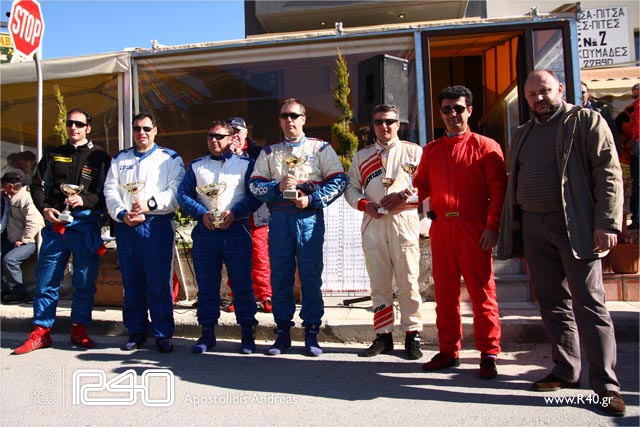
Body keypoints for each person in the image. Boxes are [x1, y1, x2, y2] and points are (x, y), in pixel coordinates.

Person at [497, 70, 625, 417]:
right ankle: (566, 370)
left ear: (560, 89)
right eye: (532, 94)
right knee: (552, 303)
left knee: (590, 304)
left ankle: (606, 386)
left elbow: (608, 173)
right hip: (534, 227)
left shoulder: (586, 122)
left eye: (544, 91)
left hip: (575, 224)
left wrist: (607, 222)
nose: (539, 98)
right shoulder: (522, 133)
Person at [413, 86, 506, 379]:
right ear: (440, 113)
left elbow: (498, 192)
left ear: (470, 110)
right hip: (442, 228)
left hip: (473, 227)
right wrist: (400, 196)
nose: (453, 114)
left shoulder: (486, 146)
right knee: (444, 294)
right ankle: (448, 350)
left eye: (458, 108)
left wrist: (492, 227)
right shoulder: (430, 151)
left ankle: (488, 353)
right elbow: (420, 187)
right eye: (447, 109)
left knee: (482, 293)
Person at [249, 98, 347, 357]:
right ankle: (282, 333)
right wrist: (276, 186)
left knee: (310, 277)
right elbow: (255, 186)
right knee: (280, 277)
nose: (289, 120)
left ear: (303, 119)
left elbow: (339, 180)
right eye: (284, 116)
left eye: (294, 115)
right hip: (280, 218)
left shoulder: (320, 148)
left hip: (309, 218)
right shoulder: (269, 153)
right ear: (280, 121)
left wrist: (311, 199)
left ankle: (311, 332)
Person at [13, 108, 111, 355]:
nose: (73, 128)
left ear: (88, 128)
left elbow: (108, 194)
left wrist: (85, 200)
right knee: (46, 282)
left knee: (84, 283)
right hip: (56, 227)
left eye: (79, 124)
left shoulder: (101, 158)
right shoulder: (53, 154)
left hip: (86, 227)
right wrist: (45, 208)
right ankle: (41, 332)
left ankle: (79, 329)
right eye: (70, 123)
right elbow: (37, 186)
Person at [344, 104, 424, 360]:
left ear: (398, 124)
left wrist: (403, 197)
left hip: (404, 221)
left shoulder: (414, 152)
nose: (384, 126)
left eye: (389, 121)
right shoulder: (362, 156)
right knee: (379, 283)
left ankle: (413, 334)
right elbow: (350, 189)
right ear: (373, 126)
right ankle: (383, 335)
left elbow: (427, 187)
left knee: (408, 280)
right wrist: (364, 204)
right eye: (379, 122)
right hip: (374, 222)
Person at [178, 120, 261, 354]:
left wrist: (236, 212)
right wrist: (201, 213)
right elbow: (183, 194)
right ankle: (207, 333)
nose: (214, 140)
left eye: (219, 136)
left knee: (242, 285)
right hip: (206, 232)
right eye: (210, 136)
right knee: (206, 286)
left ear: (231, 138)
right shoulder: (197, 166)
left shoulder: (246, 165)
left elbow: (256, 196)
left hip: (236, 229)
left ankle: (247, 333)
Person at [104, 112, 185, 354]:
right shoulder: (120, 159)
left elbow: (176, 192)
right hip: (127, 226)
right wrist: (122, 214)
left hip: (157, 225)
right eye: (137, 128)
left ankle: (162, 333)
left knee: (159, 282)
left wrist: (150, 204)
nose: (142, 133)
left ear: (155, 130)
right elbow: (110, 190)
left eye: (147, 128)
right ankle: (136, 331)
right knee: (132, 282)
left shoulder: (170, 158)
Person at [223, 116, 272, 313]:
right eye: (231, 131)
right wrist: (229, 156)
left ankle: (265, 295)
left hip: (256, 213)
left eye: (238, 131)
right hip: (232, 213)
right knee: (235, 258)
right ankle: (238, 296)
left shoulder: (258, 153)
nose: (235, 135)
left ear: (245, 133)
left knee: (260, 256)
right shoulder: (221, 154)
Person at [1, 172, 45, 304]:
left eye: (3, 184)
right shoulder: (12, 196)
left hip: (29, 241)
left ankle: (19, 292)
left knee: (10, 260)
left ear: (10, 186)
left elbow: (35, 221)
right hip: (13, 239)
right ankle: (7, 290)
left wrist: (24, 239)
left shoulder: (26, 199)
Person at [615, 83, 639, 229]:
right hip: (631, 156)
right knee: (636, 186)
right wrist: (626, 142)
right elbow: (615, 133)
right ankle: (636, 220)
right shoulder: (626, 114)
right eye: (635, 97)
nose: (637, 99)